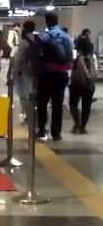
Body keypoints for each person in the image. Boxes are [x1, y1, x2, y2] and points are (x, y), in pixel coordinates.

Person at [36, 12, 74, 141]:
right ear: (57, 21)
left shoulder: (44, 36)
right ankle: (56, 134)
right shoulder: (67, 37)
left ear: (46, 21)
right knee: (57, 105)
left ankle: (42, 130)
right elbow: (70, 56)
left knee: (42, 103)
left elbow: (38, 55)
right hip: (62, 75)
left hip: (46, 74)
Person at [12, 21, 39, 124]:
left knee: (24, 95)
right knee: (34, 95)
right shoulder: (38, 39)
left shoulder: (24, 41)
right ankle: (34, 113)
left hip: (25, 73)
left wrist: (13, 74)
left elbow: (18, 60)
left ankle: (29, 115)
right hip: (37, 73)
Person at [69, 38, 97, 134]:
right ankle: (82, 127)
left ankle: (77, 123)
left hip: (76, 83)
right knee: (86, 106)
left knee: (73, 104)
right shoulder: (92, 57)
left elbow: (71, 70)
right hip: (89, 85)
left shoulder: (77, 57)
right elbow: (95, 72)